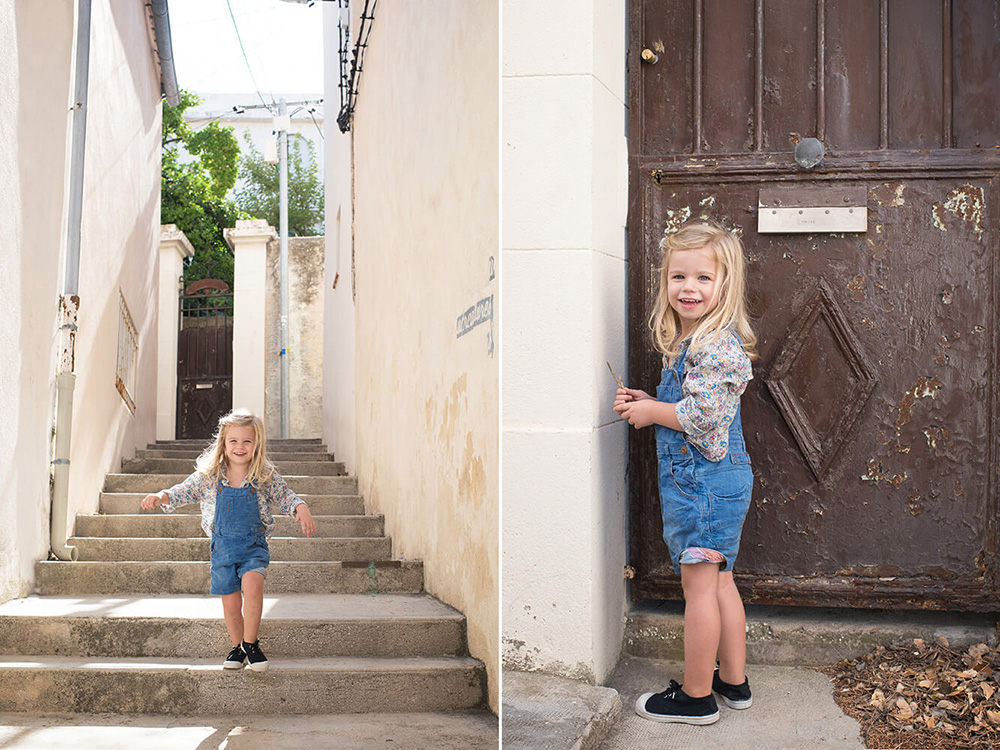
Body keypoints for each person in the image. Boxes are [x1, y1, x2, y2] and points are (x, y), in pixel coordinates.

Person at [614, 221, 757, 725]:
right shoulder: (697, 341)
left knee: (700, 589)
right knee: (721, 584)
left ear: (725, 285)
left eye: (702, 278)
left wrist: (654, 414)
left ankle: (696, 698)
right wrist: (653, 401)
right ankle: (732, 683)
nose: (688, 288)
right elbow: (693, 404)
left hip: (704, 488)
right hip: (715, 485)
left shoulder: (715, 347)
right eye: (678, 277)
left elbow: (701, 418)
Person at [141, 409, 317, 671]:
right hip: (222, 549)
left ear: (256, 444)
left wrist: (300, 507)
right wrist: (162, 496)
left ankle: (251, 644)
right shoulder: (209, 476)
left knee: (254, 587)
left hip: (253, 547)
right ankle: (238, 648)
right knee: (232, 604)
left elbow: (285, 495)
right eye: (233, 441)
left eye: (247, 441)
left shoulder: (264, 476)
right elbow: (182, 492)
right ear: (223, 443)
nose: (240, 447)